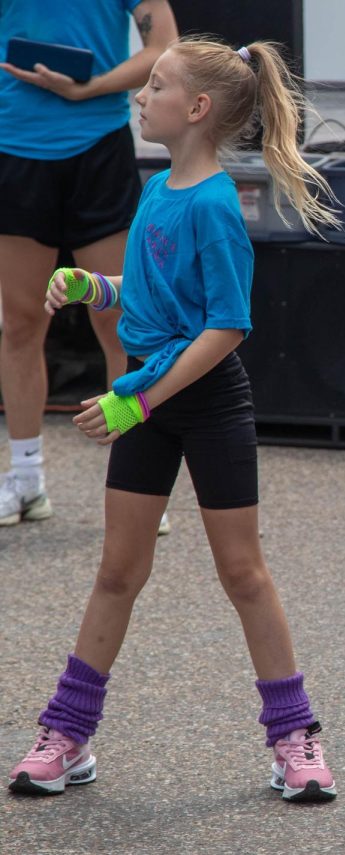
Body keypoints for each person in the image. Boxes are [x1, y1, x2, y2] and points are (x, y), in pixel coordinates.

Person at [7, 37, 342, 803]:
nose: (139, 93)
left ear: (195, 110)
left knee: (243, 573)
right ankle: (68, 734)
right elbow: (158, 299)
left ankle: (295, 739)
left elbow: (225, 327)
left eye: (154, 85)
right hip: (149, 404)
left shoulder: (218, 205)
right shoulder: (157, 191)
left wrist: (141, 399)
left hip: (205, 403)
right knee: (118, 571)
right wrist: (93, 287)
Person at [0, 0, 176, 533]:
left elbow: (164, 48)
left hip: (98, 151)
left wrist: (88, 87)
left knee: (121, 321)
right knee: (21, 322)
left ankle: (139, 482)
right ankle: (25, 479)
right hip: (15, 150)